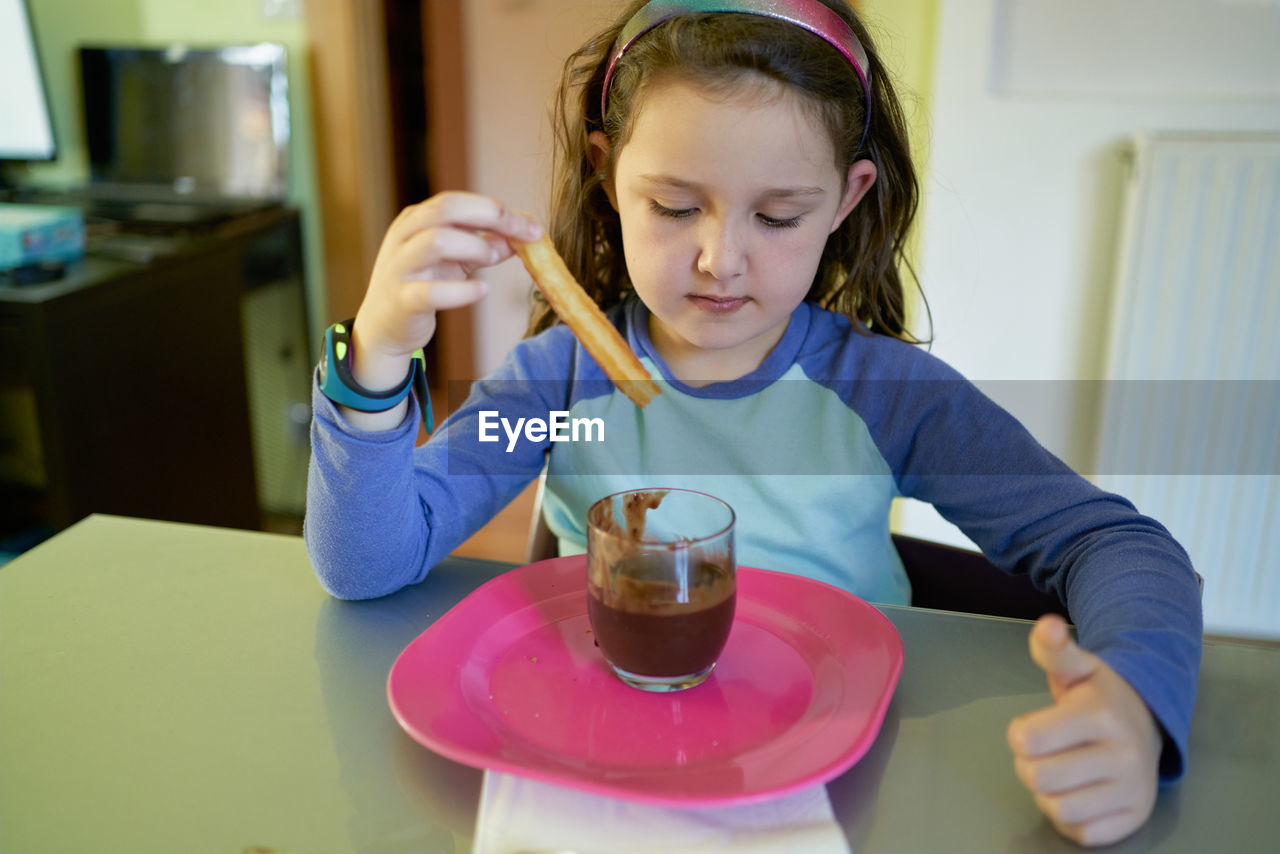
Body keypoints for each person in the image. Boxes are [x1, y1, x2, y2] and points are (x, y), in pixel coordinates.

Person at [304, 0, 1202, 846]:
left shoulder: (887, 397)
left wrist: (1135, 701)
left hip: (840, 790)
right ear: (606, 171)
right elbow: (369, 562)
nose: (719, 260)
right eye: (674, 205)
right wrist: (376, 359)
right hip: (597, 780)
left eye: (778, 216)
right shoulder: (558, 395)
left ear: (846, 200)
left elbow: (1115, 546)